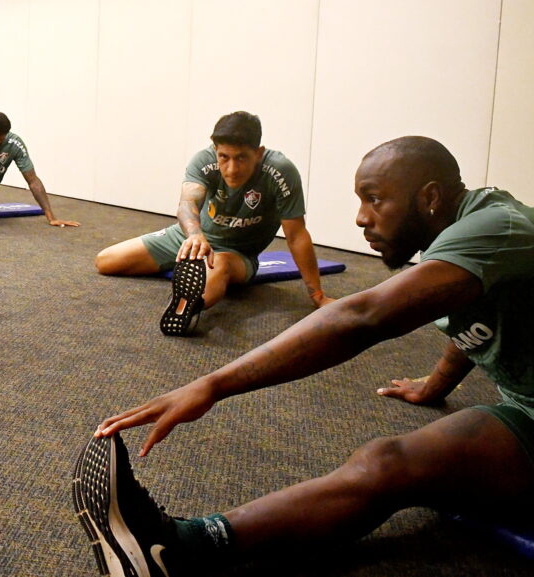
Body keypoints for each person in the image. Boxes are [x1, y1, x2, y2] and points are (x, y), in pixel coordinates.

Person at [72, 136, 534, 576]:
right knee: (390, 460)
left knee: (386, 466)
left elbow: (362, 317)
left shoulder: (498, 227)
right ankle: (168, 552)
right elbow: (474, 313)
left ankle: (180, 551)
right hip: (522, 406)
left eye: (374, 199)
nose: (360, 218)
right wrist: (435, 385)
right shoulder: (468, 237)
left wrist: (211, 384)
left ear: (430, 196)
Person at [95, 112, 334, 335]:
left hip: (236, 253)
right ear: (215, 149)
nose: (231, 169)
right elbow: (187, 202)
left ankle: (187, 307)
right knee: (106, 261)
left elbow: (296, 235)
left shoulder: (280, 171)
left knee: (219, 264)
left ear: (258, 153)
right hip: (190, 235)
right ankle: (190, 267)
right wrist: (195, 235)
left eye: (241, 158)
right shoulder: (204, 160)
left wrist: (318, 295)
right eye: (224, 157)